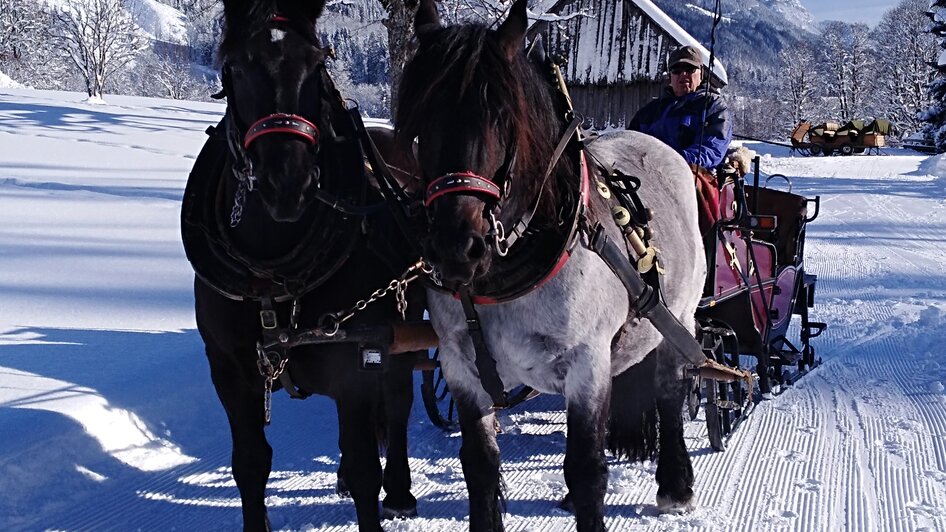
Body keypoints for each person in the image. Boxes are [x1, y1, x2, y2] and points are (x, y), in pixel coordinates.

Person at [627, 45, 733, 235]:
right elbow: (630, 141)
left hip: (687, 176)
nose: (683, 74)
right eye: (677, 70)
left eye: (690, 69)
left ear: (700, 74)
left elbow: (711, 149)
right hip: (646, 174)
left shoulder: (713, 107)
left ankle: (701, 249)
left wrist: (670, 163)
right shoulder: (651, 110)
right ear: (670, 76)